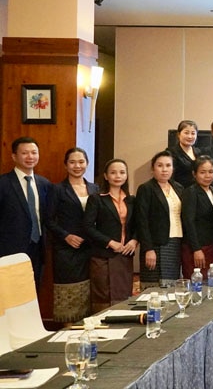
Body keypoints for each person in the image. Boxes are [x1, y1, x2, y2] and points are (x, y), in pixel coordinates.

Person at [45, 148, 99, 321]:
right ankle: (67, 331)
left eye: (81, 162)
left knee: (91, 290)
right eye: (73, 162)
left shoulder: (94, 188)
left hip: (90, 247)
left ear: (87, 164)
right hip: (66, 249)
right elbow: (48, 219)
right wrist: (66, 236)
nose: (77, 166)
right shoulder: (58, 189)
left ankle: (86, 328)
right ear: (66, 165)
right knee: (69, 291)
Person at [84, 159, 137, 312]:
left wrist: (134, 241)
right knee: (103, 296)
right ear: (106, 176)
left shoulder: (131, 199)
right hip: (103, 255)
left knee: (123, 295)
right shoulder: (96, 198)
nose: (118, 176)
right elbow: (87, 227)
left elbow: (138, 225)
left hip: (125, 254)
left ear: (126, 176)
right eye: (113, 172)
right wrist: (109, 242)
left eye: (122, 172)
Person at [0, 137, 51, 288]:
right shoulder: (3, 183)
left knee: (34, 291)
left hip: (38, 248)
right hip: (10, 250)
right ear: (14, 156)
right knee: (11, 294)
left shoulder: (44, 184)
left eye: (34, 152)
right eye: (25, 153)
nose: (30, 157)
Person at [136, 151, 184, 288]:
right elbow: (142, 221)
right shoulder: (146, 188)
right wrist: (148, 249)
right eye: (160, 165)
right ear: (153, 169)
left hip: (175, 241)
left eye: (168, 165)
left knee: (172, 284)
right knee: (154, 287)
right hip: (155, 244)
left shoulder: (178, 187)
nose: (164, 169)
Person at [180, 155, 213, 280]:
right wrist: (196, 249)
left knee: (211, 283)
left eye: (210, 172)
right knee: (196, 283)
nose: (207, 176)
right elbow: (188, 222)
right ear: (194, 174)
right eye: (202, 172)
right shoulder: (191, 192)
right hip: (196, 247)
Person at [169, 120, 202, 188]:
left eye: (193, 133)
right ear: (178, 134)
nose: (190, 136)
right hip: (180, 191)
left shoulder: (199, 152)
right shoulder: (171, 153)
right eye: (186, 133)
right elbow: (170, 177)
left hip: (197, 190)